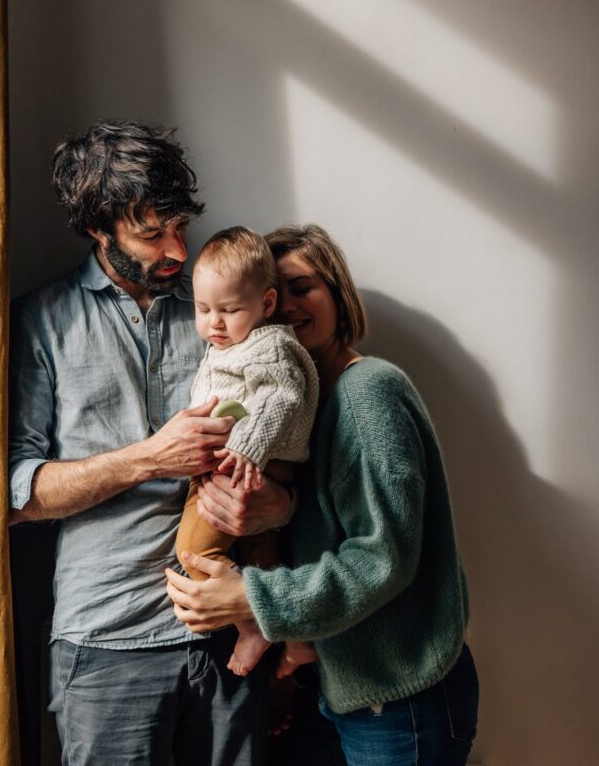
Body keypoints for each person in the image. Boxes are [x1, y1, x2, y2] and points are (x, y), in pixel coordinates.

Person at [8, 121, 292, 766]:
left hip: (229, 631)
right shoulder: (40, 323)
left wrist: (274, 506)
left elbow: (284, 453)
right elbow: (11, 494)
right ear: (97, 227)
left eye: (180, 227)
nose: (176, 250)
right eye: (151, 233)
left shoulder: (221, 308)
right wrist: (149, 458)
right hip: (106, 641)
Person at [167, 224, 479, 766]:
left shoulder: (366, 392)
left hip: (399, 694)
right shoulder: (317, 405)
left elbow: (383, 555)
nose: (285, 305)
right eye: (275, 291)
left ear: (339, 294)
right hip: (346, 686)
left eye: (302, 287)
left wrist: (252, 600)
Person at [177, 225, 319, 677]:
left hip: (245, 466)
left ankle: (251, 623)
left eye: (229, 310)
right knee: (263, 554)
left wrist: (247, 446)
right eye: (203, 310)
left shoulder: (270, 346)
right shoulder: (226, 347)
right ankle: (296, 638)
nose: (214, 323)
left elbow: (282, 398)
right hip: (242, 468)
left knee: (193, 552)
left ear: (267, 305)